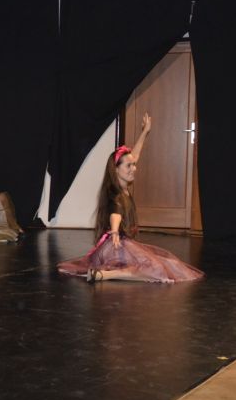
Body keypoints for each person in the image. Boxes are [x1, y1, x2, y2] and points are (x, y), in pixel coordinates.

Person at [58, 114, 203, 283]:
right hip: (115, 246)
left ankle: (105, 273)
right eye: (129, 166)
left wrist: (145, 132)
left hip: (120, 244)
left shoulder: (121, 186)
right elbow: (116, 212)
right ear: (116, 169)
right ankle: (106, 274)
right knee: (155, 269)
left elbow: (135, 155)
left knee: (165, 264)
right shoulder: (115, 192)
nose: (134, 168)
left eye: (134, 165)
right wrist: (114, 230)